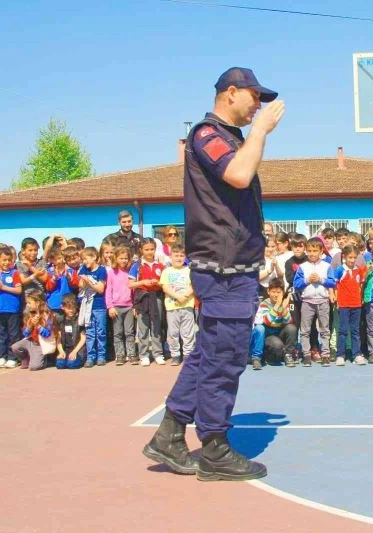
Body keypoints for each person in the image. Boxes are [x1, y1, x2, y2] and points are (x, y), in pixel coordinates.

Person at [144, 67, 284, 481]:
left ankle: (170, 435)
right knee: (225, 358)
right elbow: (238, 175)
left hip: (232, 265)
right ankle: (214, 447)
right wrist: (260, 130)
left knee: (210, 353)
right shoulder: (208, 134)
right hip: (223, 268)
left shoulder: (229, 138)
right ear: (231, 92)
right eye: (254, 96)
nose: (258, 104)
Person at [293, 238, 336, 367]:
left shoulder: (327, 266)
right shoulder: (303, 267)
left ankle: (326, 355)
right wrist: (307, 280)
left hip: (323, 301)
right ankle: (306, 355)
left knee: (325, 329)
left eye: (315, 251)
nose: (312, 253)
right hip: (307, 302)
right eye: (309, 251)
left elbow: (333, 282)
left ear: (321, 251)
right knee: (305, 330)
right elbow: (296, 284)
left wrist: (321, 280)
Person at [129, 238, 165, 366]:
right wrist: (143, 282)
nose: (149, 252)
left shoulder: (160, 265)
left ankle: (158, 353)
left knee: (156, 326)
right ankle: (144, 355)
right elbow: (130, 284)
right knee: (143, 327)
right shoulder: (137, 266)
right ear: (141, 250)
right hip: (142, 298)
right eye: (146, 249)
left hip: (157, 298)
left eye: (152, 249)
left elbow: (165, 283)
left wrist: (158, 283)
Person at [0, 247, 23, 368]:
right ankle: (1, 356)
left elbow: (18, 290)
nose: (6, 263)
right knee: (1, 334)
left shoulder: (14, 273)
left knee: (13, 335)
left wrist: (3, 287)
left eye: (9, 260)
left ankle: (13, 357)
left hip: (12, 309)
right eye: (4, 260)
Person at [160, 244, 196, 366]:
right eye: (176, 255)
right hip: (172, 307)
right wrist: (177, 297)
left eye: (181, 255)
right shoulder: (166, 271)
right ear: (170, 257)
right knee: (173, 333)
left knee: (188, 332)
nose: (179, 258)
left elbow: (193, 286)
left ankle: (187, 354)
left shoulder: (189, 270)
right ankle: (175, 355)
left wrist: (185, 296)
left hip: (187, 306)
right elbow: (165, 287)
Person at [249, 278, 296, 369]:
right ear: (268, 291)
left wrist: (284, 309)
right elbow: (267, 321)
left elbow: (288, 321)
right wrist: (277, 306)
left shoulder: (283, 304)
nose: (276, 295)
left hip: (278, 333)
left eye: (278, 292)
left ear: (283, 293)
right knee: (260, 329)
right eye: (273, 292)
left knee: (291, 328)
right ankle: (257, 358)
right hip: (266, 335)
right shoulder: (264, 304)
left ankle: (288, 355)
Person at [333, 245, 366, 366]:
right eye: (349, 257)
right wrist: (336, 300)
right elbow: (334, 285)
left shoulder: (359, 270)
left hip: (356, 305)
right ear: (344, 257)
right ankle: (340, 355)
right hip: (344, 305)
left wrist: (360, 298)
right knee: (342, 331)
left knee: (355, 331)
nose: (352, 260)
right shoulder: (340, 270)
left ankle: (357, 354)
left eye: (354, 257)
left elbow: (361, 285)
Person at [77, 246, 108, 367]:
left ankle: (101, 356)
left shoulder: (101, 270)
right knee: (90, 332)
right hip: (87, 306)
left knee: (101, 332)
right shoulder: (84, 269)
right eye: (83, 259)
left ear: (94, 257)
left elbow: (100, 289)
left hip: (99, 305)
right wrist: (83, 280)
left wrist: (88, 280)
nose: (85, 262)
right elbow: (80, 285)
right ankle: (90, 357)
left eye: (87, 259)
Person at [11, 291, 56, 371]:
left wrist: (38, 326)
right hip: (31, 341)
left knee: (34, 367)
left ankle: (46, 360)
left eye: (29, 303)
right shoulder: (30, 313)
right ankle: (26, 358)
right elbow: (25, 333)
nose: (27, 305)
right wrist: (30, 325)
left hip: (41, 343)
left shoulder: (47, 314)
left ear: (37, 302)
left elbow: (47, 334)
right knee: (15, 347)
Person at [106, 246, 136, 365]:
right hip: (116, 307)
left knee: (129, 332)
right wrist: (110, 306)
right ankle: (120, 355)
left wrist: (134, 306)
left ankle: (131, 354)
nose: (123, 260)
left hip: (129, 306)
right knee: (118, 332)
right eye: (121, 258)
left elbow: (133, 290)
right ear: (116, 258)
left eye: (125, 258)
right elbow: (108, 290)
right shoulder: (112, 273)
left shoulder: (130, 272)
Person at [56, 293, 86, 370]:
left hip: (77, 350)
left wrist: (75, 351)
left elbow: (83, 338)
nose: (71, 310)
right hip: (65, 350)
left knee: (71, 364)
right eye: (69, 308)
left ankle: (78, 360)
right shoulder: (61, 320)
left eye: (73, 308)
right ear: (62, 307)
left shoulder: (79, 319)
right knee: (59, 364)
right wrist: (61, 351)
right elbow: (58, 339)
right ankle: (65, 359)